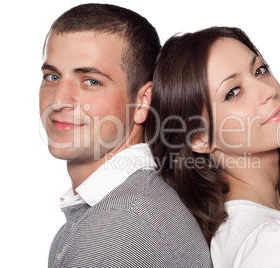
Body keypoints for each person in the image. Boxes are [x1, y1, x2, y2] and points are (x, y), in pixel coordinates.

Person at [39, 4, 212, 267]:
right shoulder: (115, 211)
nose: (58, 100)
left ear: (143, 102)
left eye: (91, 81)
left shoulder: (119, 226)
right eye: (52, 76)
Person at [146, 27, 280, 267]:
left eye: (260, 70)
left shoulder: (235, 231)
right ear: (199, 138)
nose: (269, 91)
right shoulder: (276, 241)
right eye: (233, 92)